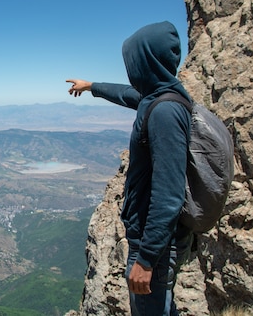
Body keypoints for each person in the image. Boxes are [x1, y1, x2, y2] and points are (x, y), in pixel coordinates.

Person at [66, 21, 194, 316]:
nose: (129, 68)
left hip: (156, 247)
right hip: (154, 241)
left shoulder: (164, 112)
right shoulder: (158, 97)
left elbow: (169, 193)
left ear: (146, 61)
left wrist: (147, 259)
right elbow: (128, 95)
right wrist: (92, 87)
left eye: (132, 61)